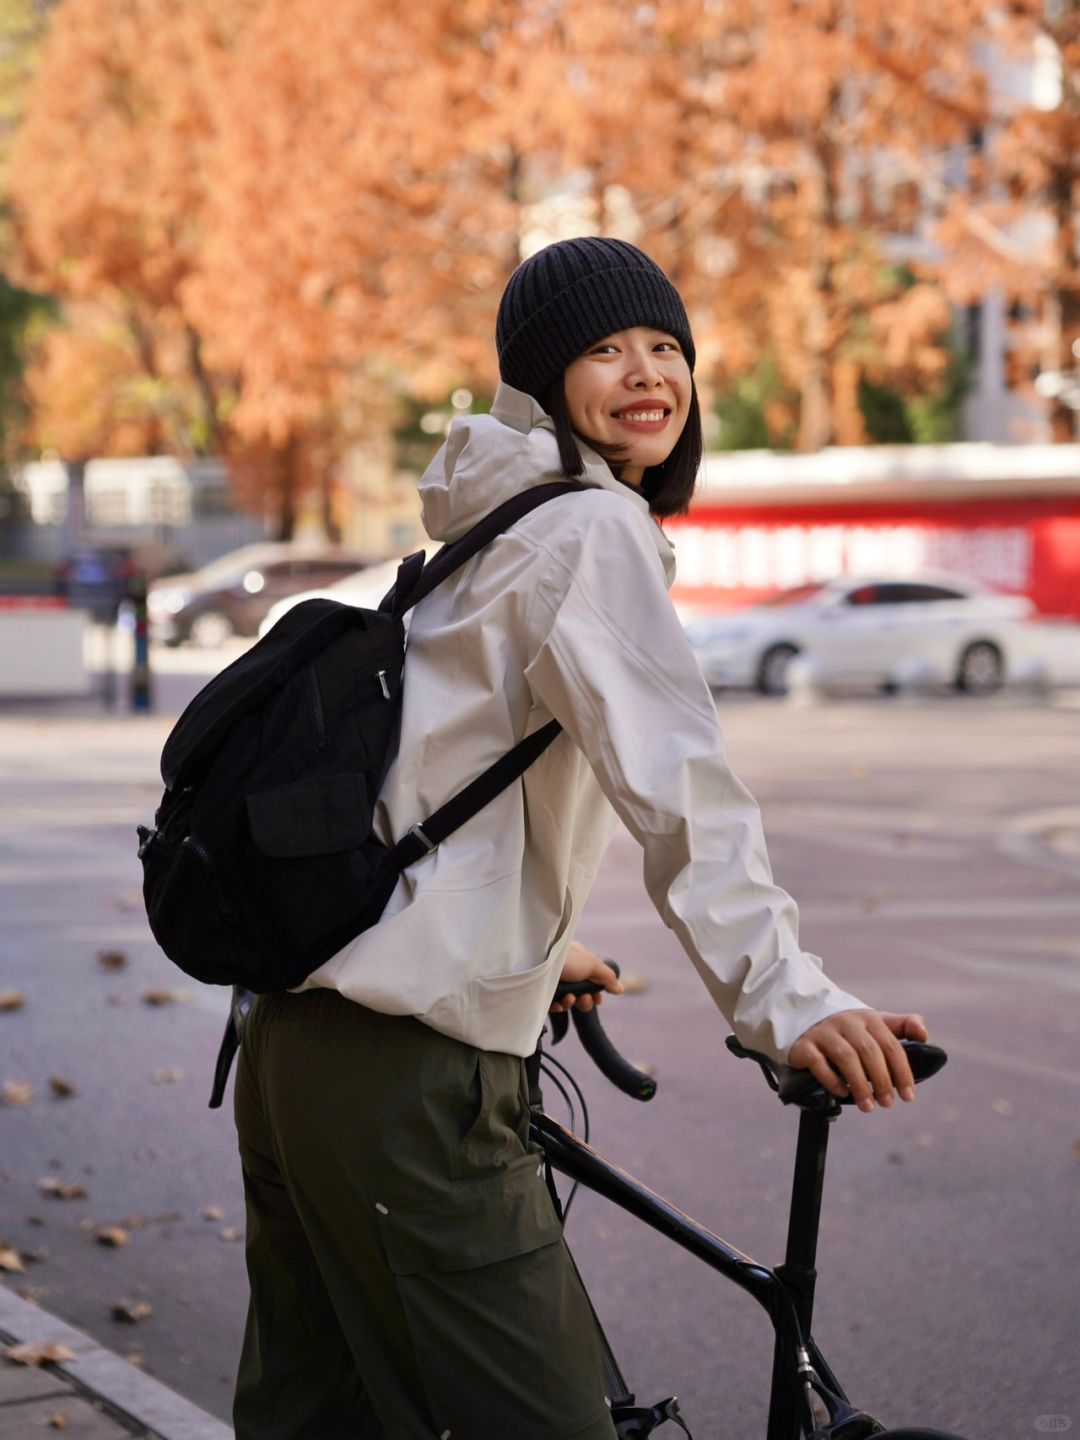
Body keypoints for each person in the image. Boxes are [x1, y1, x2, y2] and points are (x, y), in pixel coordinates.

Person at [232, 237, 929, 1440]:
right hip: (406, 1088)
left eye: (667, 348)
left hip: (292, 1044)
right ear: (541, 381)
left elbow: (428, 787)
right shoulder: (584, 534)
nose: (645, 373)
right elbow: (684, 796)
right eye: (603, 350)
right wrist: (786, 998)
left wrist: (531, 952)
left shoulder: (479, 530)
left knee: (314, 1420)